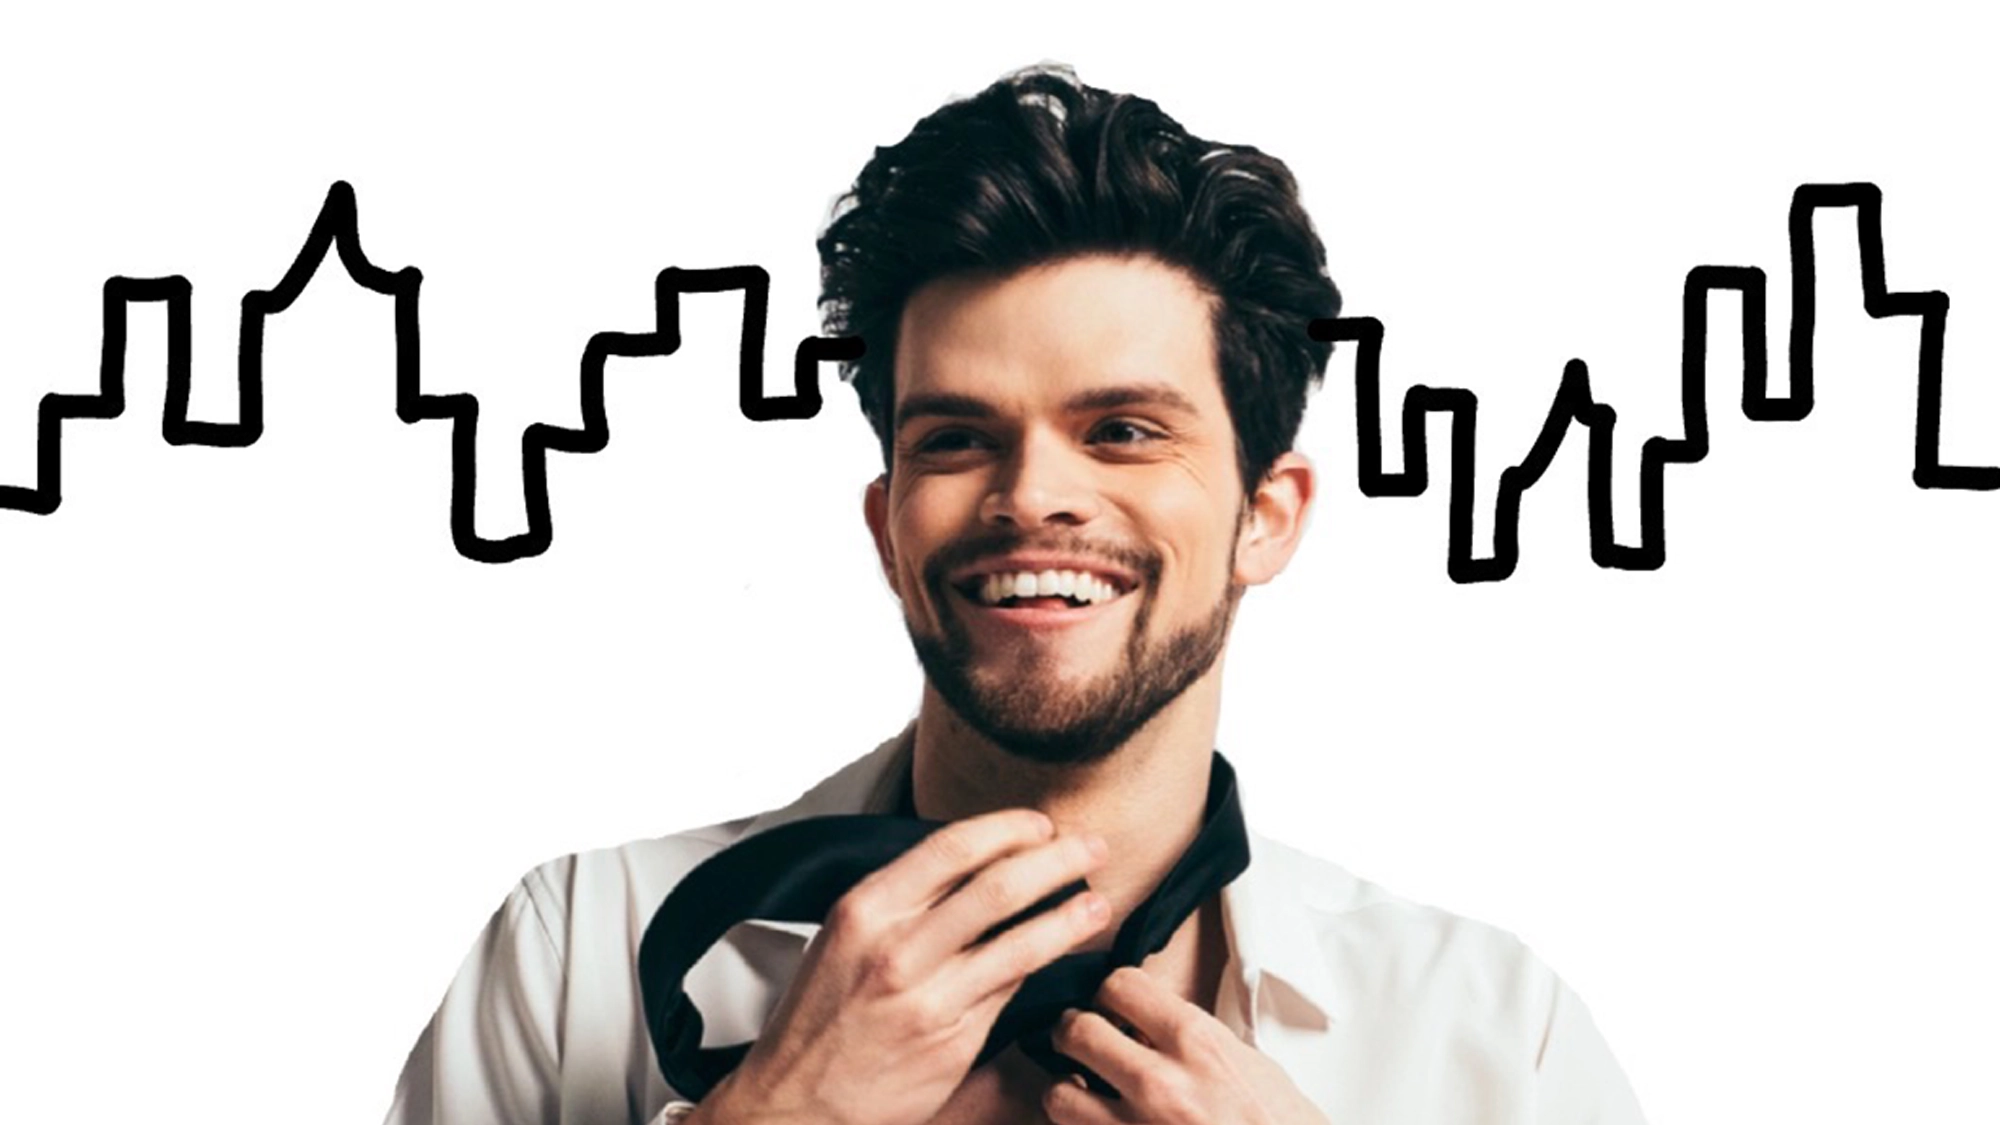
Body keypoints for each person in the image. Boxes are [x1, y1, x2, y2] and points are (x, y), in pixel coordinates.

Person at [384, 66, 1648, 1125]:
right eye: (953, 439)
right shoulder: (575, 959)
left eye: (1122, 431)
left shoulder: (1493, 1041)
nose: (1029, 495)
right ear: (888, 530)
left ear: (1266, 518)